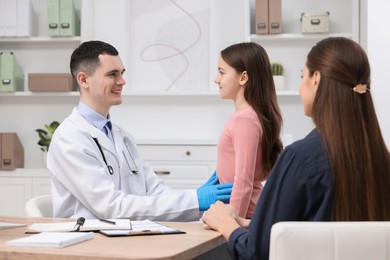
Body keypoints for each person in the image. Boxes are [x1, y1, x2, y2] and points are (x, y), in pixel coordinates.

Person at [201, 37, 390, 259]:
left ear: (316, 80)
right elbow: (317, 232)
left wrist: (227, 224)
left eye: (302, 76)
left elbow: (256, 252)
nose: (300, 87)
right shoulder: (382, 162)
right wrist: (249, 224)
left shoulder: (300, 160)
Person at [47, 40, 232, 221]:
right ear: (83, 79)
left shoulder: (122, 137)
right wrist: (194, 200)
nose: (122, 81)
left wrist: (200, 203)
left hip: (126, 235)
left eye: (122, 73)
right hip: (88, 242)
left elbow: (154, 191)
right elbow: (110, 207)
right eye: (112, 74)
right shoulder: (70, 138)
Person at [213, 42, 282, 218]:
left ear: (243, 77)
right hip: (246, 212)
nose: (216, 79)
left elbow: (243, 183)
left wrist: (231, 225)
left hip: (245, 214)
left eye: (221, 72)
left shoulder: (244, 120)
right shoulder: (247, 117)